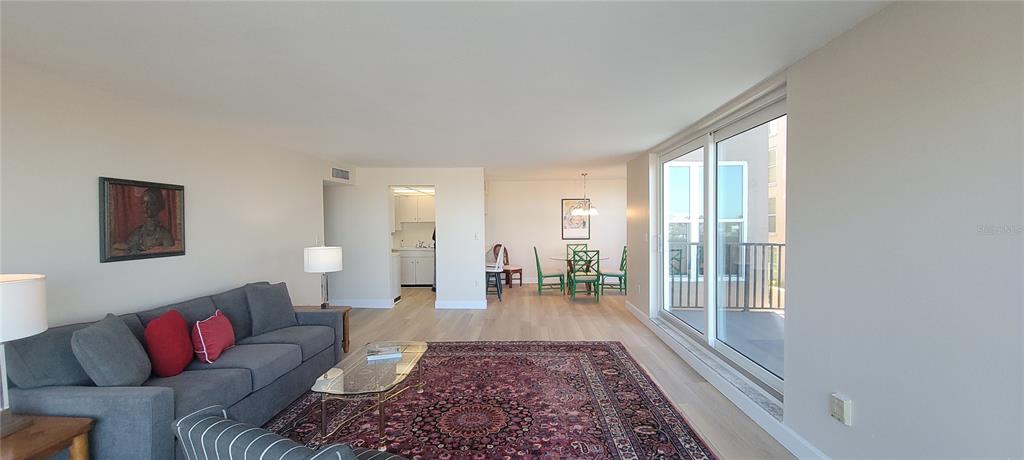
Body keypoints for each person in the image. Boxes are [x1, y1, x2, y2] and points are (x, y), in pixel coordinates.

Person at [125, 187, 174, 253]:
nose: (145, 207)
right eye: (143, 203)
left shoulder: (165, 236)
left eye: (150, 203)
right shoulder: (135, 234)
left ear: (158, 205)